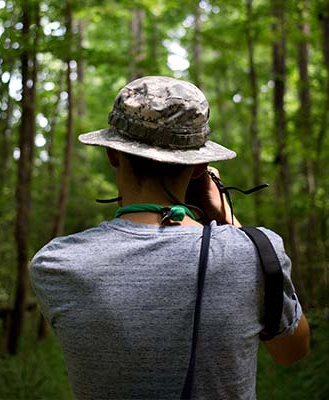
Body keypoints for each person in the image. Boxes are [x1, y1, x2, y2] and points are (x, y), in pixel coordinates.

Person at [29, 76, 309, 399]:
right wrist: (227, 218)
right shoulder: (255, 254)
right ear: (200, 167)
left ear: (112, 154)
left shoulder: (57, 265)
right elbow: (292, 351)